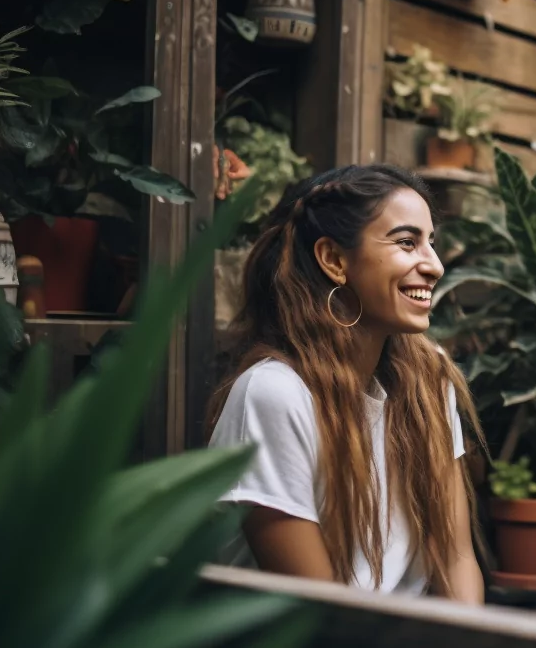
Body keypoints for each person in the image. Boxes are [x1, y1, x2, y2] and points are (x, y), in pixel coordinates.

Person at [207, 164, 483, 602]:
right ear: (334, 260)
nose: (434, 265)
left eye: (432, 243)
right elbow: (321, 613)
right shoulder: (275, 395)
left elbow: (456, 558)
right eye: (407, 242)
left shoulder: (428, 378)